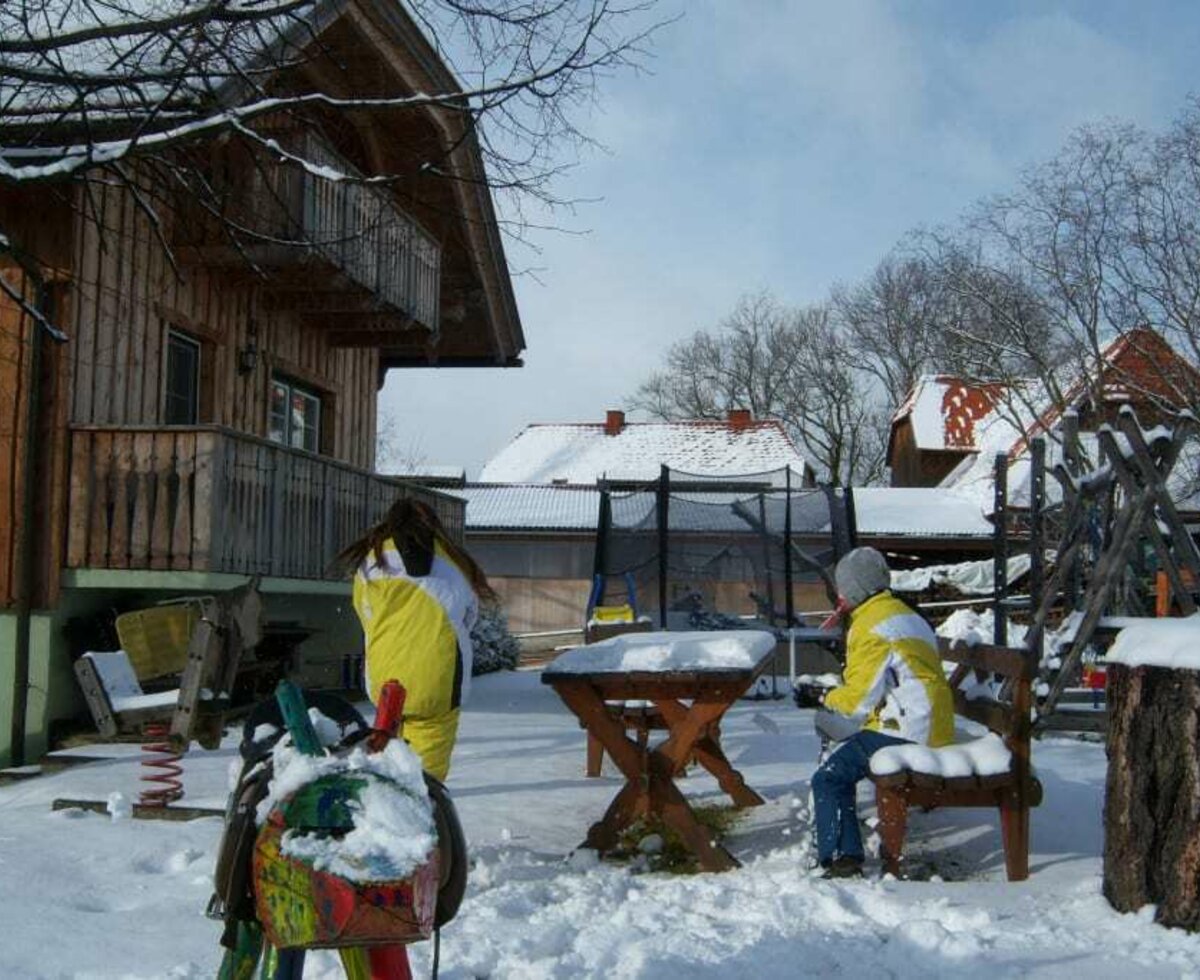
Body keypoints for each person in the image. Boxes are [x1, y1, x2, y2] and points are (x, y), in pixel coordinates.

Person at [809, 546, 954, 878]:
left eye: (843, 588)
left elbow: (858, 700)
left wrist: (824, 696)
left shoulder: (870, 625)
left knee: (830, 777)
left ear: (856, 588)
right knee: (846, 755)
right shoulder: (905, 614)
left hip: (908, 730)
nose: (840, 595)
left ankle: (843, 859)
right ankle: (841, 845)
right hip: (932, 721)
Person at [338, 496, 495, 781]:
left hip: (386, 677)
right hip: (439, 678)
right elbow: (469, 616)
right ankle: (424, 808)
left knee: (385, 757)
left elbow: (364, 614)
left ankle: (383, 811)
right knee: (428, 775)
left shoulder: (371, 561)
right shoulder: (454, 561)